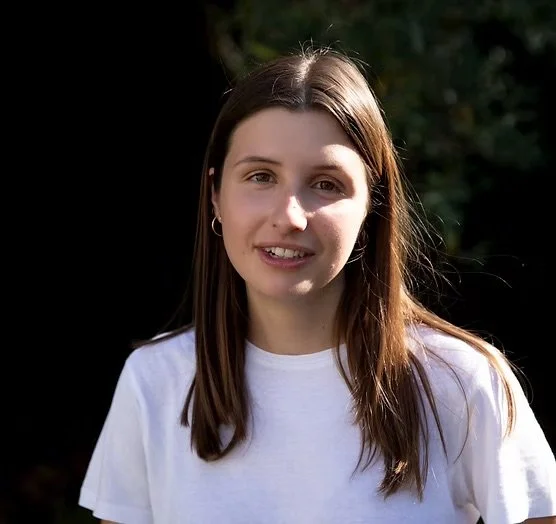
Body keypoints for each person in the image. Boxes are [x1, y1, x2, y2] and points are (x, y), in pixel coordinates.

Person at [78, 46, 556, 523]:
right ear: (215, 196)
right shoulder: (154, 383)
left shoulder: (462, 382)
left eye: (326, 184)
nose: (289, 217)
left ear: (372, 205)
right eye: (261, 176)